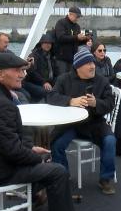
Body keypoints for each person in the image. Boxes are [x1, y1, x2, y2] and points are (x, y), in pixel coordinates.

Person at [0, 52, 86, 211]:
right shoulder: (1, 104)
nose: (22, 74)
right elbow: (12, 152)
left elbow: (5, 141)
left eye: (23, 70)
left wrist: (30, 150)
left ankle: (37, 196)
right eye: (17, 70)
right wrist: (35, 156)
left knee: (41, 156)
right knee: (57, 170)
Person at [47, 48, 116, 195]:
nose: (92, 66)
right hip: (70, 124)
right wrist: (70, 101)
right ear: (78, 66)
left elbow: (110, 103)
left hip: (94, 123)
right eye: (88, 63)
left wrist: (96, 103)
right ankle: (63, 176)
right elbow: (51, 97)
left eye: (92, 62)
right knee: (57, 144)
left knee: (110, 141)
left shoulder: (101, 81)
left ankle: (105, 178)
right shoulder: (64, 79)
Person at [24, 33, 58, 102]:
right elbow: (31, 72)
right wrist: (44, 82)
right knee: (46, 92)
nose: (48, 45)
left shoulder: (52, 56)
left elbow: (56, 72)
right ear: (41, 44)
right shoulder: (33, 55)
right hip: (33, 82)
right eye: (45, 43)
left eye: (49, 43)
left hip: (48, 82)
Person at [54, 6, 89, 74]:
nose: (77, 19)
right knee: (62, 77)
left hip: (73, 58)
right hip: (62, 58)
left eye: (78, 17)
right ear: (70, 14)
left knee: (71, 79)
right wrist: (76, 37)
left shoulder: (77, 26)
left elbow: (77, 42)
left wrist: (85, 39)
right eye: (76, 16)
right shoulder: (61, 23)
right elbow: (60, 37)